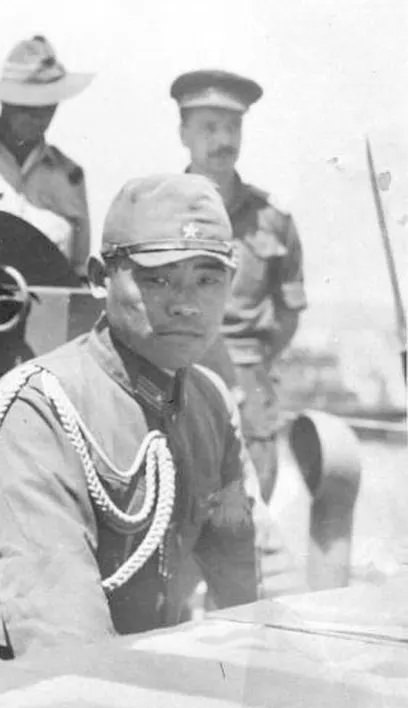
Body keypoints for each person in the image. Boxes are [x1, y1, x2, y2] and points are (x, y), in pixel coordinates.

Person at [0, 174, 259, 671]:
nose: (186, 303)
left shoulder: (209, 403)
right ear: (99, 278)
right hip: (28, 705)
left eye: (208, 279)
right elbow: (61, 636)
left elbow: (247, 571)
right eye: (158, 278)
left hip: (142, 680)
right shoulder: (42, 406)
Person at [171, 69, 306, 501]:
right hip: (175, 376)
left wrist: (251, 365)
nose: (223, 139)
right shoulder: (158, 210)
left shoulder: (273, 218)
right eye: (209, 127)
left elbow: (288, 311)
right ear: (183, 133)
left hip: (249, 387)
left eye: (233, 126)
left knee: (248, 525)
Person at [0, 35, 94, 279]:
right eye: (28, 106)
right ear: (4, 100)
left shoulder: (70, 177)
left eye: (48, 106)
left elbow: (78, 273)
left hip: (44, 309)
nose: (38, 117)